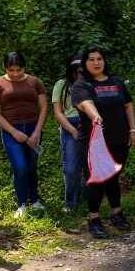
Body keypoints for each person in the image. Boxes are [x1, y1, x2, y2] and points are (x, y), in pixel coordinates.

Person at [71, 46, 135, 238]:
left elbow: (128, 105)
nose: (96, 62)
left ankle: (116, 213)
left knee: (114, 176)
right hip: (94, 142)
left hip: (119, 137)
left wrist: (132, 129)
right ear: (85, 63)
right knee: (97, 179)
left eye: (99, 59)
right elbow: (85, 103)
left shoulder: (117, 82)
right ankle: (94, 218)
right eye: (91, 59)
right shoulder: (81, 85)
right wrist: (96, 117)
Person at [0, 52, 48, 217]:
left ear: (24, 67)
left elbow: (43, 107)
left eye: (19, 69)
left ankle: (34, 200)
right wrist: (14, 132)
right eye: (11, 70)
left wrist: (37, 131)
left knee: (31, 166)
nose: (15, 73)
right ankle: (21, 204)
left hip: (33, 128)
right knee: (20, 167)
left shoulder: (35, 82)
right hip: (10, 130)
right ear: (5, 67)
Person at [52, 55, 84, 212]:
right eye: (76, 71)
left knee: (89, 166)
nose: (79, 74)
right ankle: (71, 202)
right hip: (69, 123)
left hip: (88, 122)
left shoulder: (90, 83)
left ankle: (86, 199)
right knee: (71, 167)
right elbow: (58, 113)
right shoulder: (61, 85)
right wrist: (72, 130)